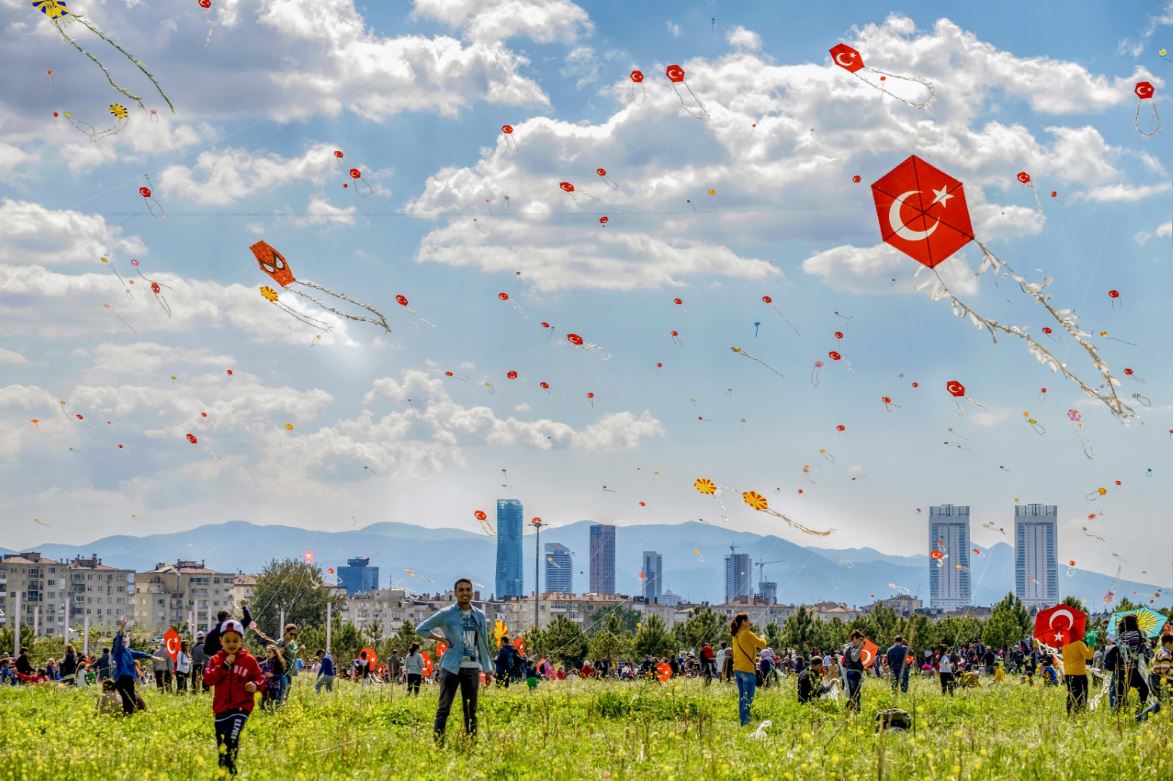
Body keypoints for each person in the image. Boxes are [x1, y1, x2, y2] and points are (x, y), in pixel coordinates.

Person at [416, 578, 494, 743]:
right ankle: (438, 744)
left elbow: (483, 643)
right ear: (455, 593)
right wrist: (441, 639)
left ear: (472, 592)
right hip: (451, 667)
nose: (465, 593)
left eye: (468, 590)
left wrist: (487, 669)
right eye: (461, 590)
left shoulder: (479, 615)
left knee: (471, 710)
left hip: (472, 667)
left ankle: (471, 743)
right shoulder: (446, 614)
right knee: (444, 708)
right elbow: (421, 629)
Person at [202, 620, 264, 777]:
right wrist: (224, 667)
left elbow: (261, 678)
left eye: (235, 640)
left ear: (242, 640)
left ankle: (230, 768)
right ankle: (224, 770)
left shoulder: (249, 660)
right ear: (220, 641)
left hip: (241, 709)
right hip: (221, 710)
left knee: (232, 738)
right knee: (222, 743)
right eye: (227, 640)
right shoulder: (215, 660)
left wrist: (255, 685)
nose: (231, 644)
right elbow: (208, 680)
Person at [112, 617, 160, 715]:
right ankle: (128, 714)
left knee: (131, 698)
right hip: (121, 679)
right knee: (127, 698)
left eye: (125, 639)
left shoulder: (128, 651)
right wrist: (122, 626)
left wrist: (152, 657)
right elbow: (119, 638)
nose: (124, 640)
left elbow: (140, 654)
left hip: (128, 679)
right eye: (122, 640)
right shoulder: (118, 651)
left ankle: (130, 714)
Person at [729, 612, 766, 727]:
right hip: (747, 670)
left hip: (737, 670)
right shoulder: (748, 634)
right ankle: (745, 723)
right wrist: (763, 637)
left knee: (742, 697)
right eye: (748, 619)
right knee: (748, 699)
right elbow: (763, 645)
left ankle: (742, 721)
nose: (750, 621)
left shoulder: (736, 636)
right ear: (744, 622)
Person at [1061, 633, 1094, 714]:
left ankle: (1069, 713)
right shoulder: (1079, 644)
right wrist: (1091, 644)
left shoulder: (1064, 644)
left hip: (1068, 674)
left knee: (1071, 694)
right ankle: (1079, 713)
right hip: (1079, 674)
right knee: (1082, 695)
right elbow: (1089, 656)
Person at [841, 630, 866, 713]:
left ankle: (848, 711)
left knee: (853, 694)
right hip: (854, 673)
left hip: (850, 672)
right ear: (854, 638)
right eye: (860, 639)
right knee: (856, 695)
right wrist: (860, 648)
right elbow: (854, 658)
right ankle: (855, 712)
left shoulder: (848, 647)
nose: (861, 641)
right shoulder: (853, 647)